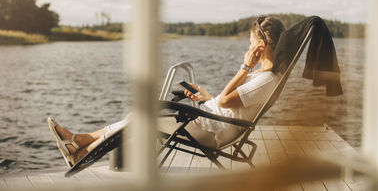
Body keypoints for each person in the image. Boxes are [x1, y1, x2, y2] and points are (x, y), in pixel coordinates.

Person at [48, 16, 286, 167]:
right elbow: (228, 104)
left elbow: (225, 102)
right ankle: (78, 144)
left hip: (210, 132)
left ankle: (78, 148)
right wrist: (206, 97)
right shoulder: (262, 77)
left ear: (260, 48)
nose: (247, 49)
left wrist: (244, 67)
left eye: (250, 44)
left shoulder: (264, 79)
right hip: (208, 120)